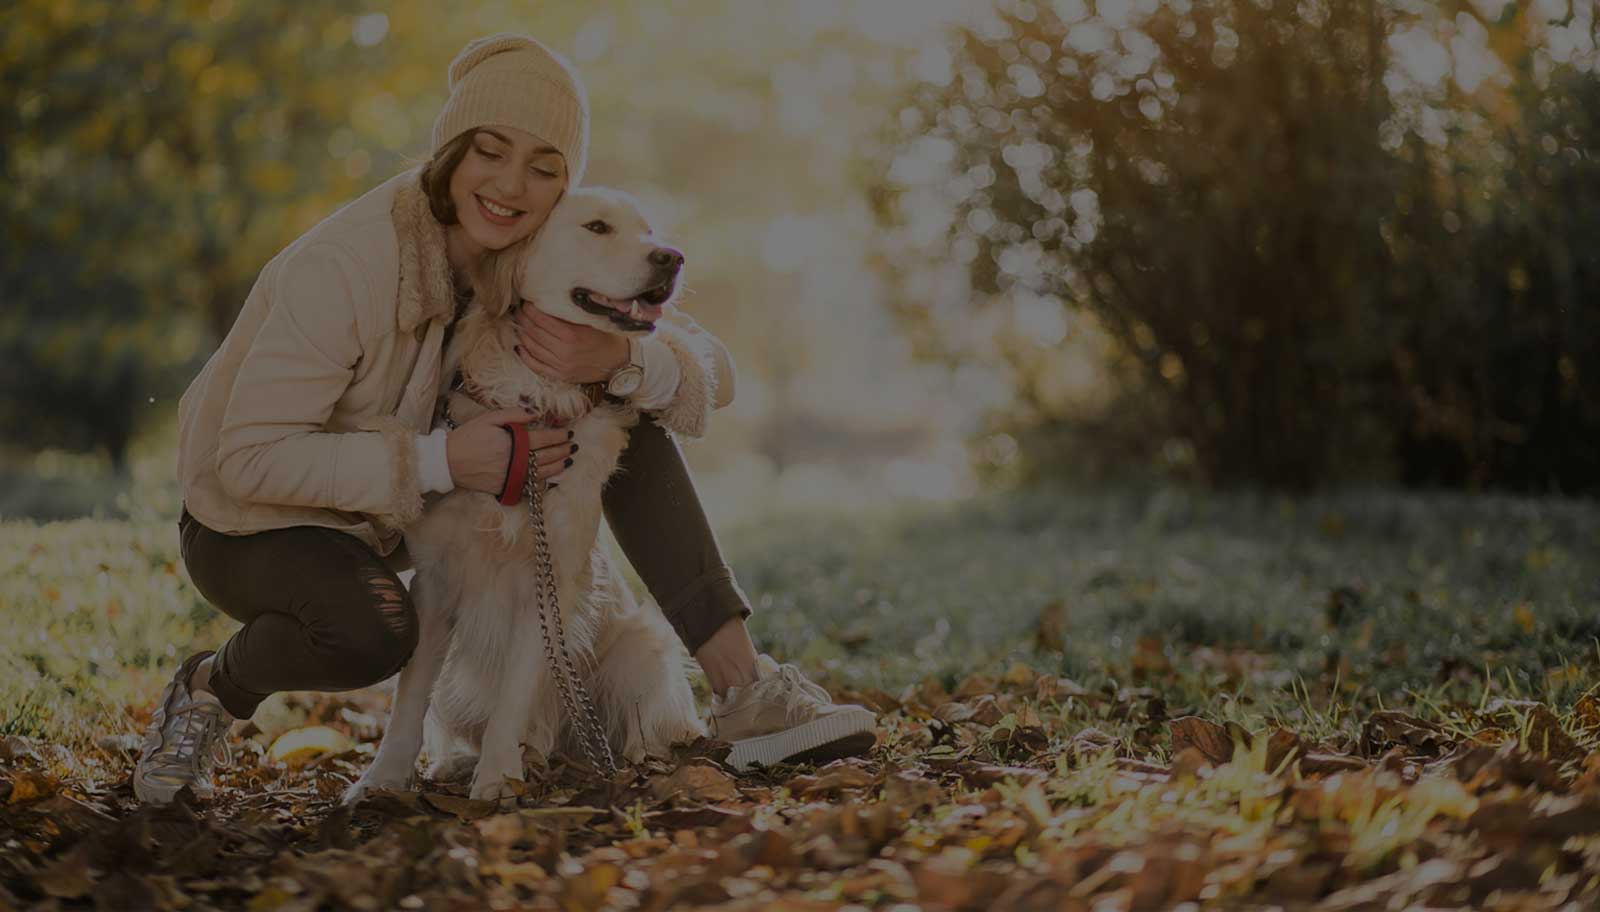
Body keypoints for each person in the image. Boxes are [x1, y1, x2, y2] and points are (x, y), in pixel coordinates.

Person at [133, 33, 875, 804]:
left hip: (382, 516)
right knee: (374, 630)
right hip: (251, 521)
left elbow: (710, 371)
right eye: (490, 151)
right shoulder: (347, 265)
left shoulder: (531, 252)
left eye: (544, 168)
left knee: (625, 406)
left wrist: (616, 364)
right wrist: (446, 462)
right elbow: (247, 460)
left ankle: (743, 690)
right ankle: (215, 685)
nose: (512, 184)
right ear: (450, 151)